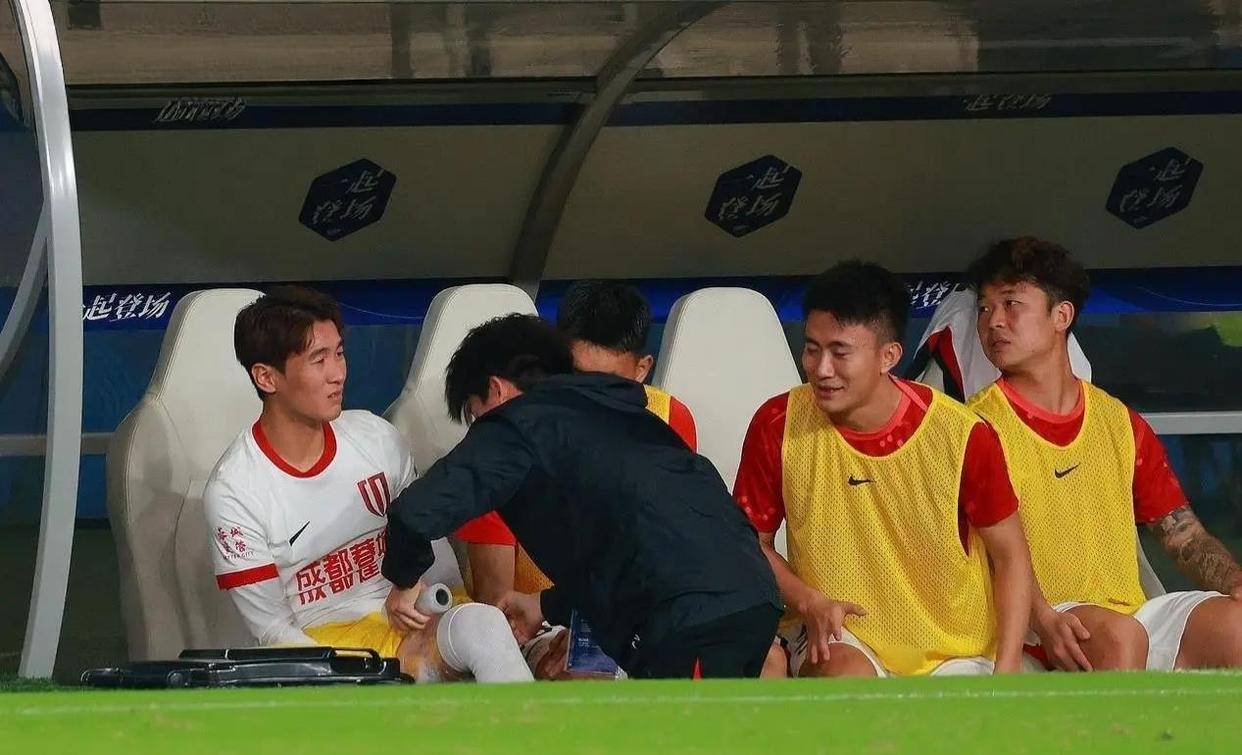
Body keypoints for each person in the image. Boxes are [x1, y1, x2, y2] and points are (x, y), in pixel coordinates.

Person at [381, 313, 782, 679]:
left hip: (690, 614)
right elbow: (630, 548)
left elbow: (415, 513)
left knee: (684, 728)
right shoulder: (622, 414)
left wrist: (404, 580)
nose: (479, 430)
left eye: (473, 412)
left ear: (495, 389)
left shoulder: (515, 424)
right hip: (752, 593)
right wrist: (544, 606)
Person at [204, 286, 531, 683]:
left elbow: (435, 555)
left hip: (415, 621)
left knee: (486, 626)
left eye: (339, 353)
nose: (337, 373)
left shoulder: (377, 438)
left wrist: (450, 609)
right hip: (328, 649)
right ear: (266, 377)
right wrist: (358, 678)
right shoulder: (235, 491)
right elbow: (273, 631)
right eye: (318, 359)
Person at [733, 261, 1034, 677]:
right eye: (812, 348)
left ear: (888, 356)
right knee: (842, 673)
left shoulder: (964, 434)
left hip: (957, 651)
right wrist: (807, 600)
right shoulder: (777, 422)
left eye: (840, 352)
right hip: (840, 634)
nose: (821, 369)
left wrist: (1008, 668)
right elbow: (749, 543)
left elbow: (1011, 556)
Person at [966, 237, 1242, 671]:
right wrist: (1041, 617)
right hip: (1039, 623)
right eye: (984, 309)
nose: (993, 321)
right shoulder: (973, 426)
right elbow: (984, 551)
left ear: (1062, 315)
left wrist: (1236, 582)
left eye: (1010, 304)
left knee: (1235, 626)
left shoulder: (1119, 421)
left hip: (1131, 614)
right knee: (1118, 638)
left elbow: (1183, 536)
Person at [454, 281, 701, 677]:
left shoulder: (671, 420)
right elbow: (496, 601)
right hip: (540, 624)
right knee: (588, 673)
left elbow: (668, 555)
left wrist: (600, 622)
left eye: (609, 384)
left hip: (639, 616)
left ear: (642, 370)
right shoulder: (509, 436)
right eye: (580, 378)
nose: (591, 398)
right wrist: (574, 623)